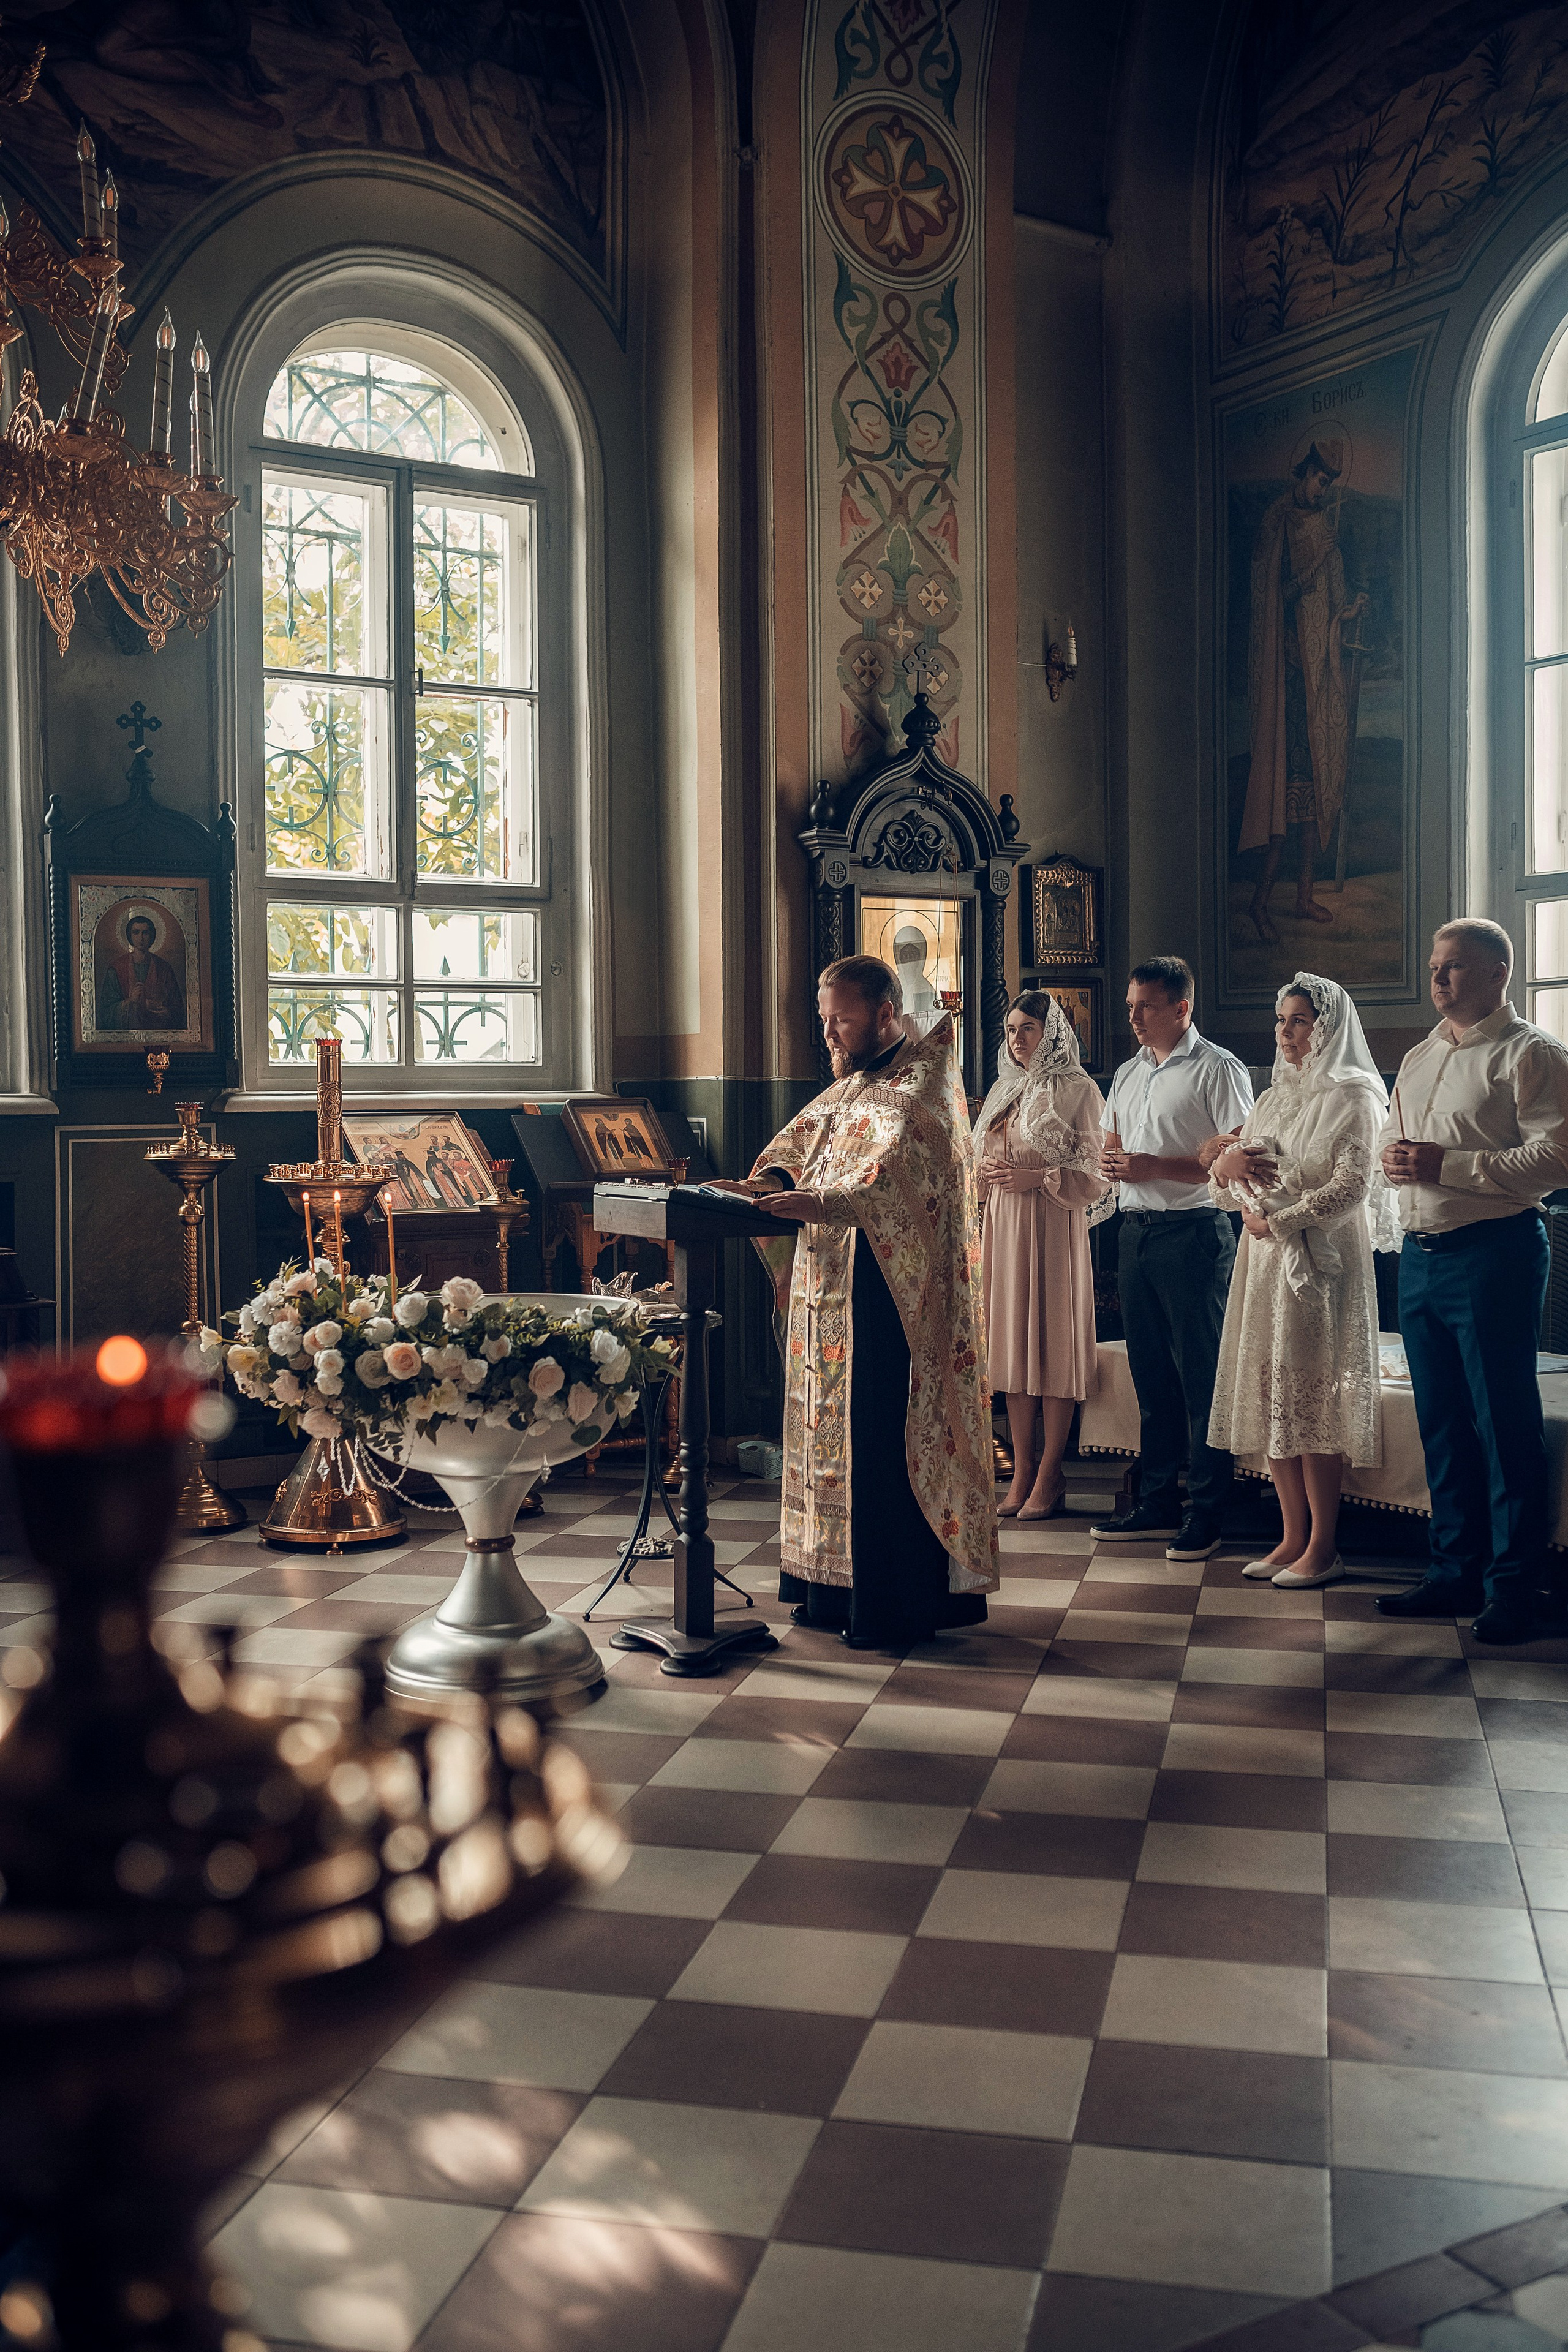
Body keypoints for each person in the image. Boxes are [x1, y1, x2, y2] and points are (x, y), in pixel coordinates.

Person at [723, 954, 997, 1648]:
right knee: (826, 1434)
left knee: (879, 1433)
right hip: (829, 1285)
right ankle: (827, 1591)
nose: (829, 1035)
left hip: (889, 1296)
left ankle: (893, 1601)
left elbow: (896, 1174)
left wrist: (821, 1199)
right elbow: (799, 1143)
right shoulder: (853, 1087)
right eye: (823, 1020)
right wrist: (773, 1181)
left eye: (840, 1020)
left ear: (883, 1013)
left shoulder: (925, 1081)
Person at [1378, 919, 1568, 1643]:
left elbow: (1558, 1159)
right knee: (1443, 1422)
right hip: (1420, 1255)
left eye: (1455, 968)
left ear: (1497, 975)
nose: (1438, 979)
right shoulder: (1422, 1055)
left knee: (1502, 1420)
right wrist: (1394, 1165)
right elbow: (1399, 1151)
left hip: (1495, 1252)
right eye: (1434, 966)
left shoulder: (1530, 1055)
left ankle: (1513, 1586)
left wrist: (1445, 1168)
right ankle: (1452, 1571)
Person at [1207, 973, 1396, 1589]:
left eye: (1297, 1022)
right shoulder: (1274, 1095)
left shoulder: (1355, 1094)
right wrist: (1226, 1167)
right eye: (1279, 1021)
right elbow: (1236, 1173)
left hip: (1321, 1264)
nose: (1284, 1034)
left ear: (1327, 1027)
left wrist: (1280, 1219)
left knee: (1313, 1400)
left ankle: (1323, 1545)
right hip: (1263, 1261)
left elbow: (1352, 1188)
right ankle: (1290, 1535)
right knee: (1270, 1391)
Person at [1092, 956, 1254, 1560]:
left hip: (1193, 1232)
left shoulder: (1217, 1068)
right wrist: (1113, 1162)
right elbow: (1113, 1144)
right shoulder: (1128, 1072)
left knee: (1200, 1378)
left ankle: (1208, 1510)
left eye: (1145, 1006)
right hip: (1134, 1233)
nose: (1132, 1017)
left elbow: (1242, 1152)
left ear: (1180, 1008)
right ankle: (1156, 1498)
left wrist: (1154, 1166)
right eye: (1130, 1005)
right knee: (1151, 1377)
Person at [973, 989, 1109, 1518]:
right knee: (1010, 1350)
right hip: (1004, 1227)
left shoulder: (1079, 1090)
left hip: (1052, 1224)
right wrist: (984, 1174)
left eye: (1027, 1029)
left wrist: (1039, 1177)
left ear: (1051, 1032)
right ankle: (1023, 1469)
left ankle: (1052, 1471)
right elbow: (979, 1158)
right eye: (1010, 1030)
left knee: (1051, 1347)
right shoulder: (1003, 1089)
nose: (1017, 1039)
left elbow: (1098, 1173)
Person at [1238, 439, 1368, 942]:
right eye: (1319, 478)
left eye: (1329, 483)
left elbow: (1333, 605)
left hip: (1314, 676)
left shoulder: (1327, 534)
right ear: (1304, 471)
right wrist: (1311, 571)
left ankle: (1304, 894)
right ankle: (1260, 901)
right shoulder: (1278, 523)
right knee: (1282, 798)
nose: (1322, 488)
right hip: (1286, 680)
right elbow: (1276, 594)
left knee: (1312, 794)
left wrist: (1351, 607)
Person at [97, 911, 186, 1030]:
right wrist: (130, 1001)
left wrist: (168, 1013)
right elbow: (106, 1011)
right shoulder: (117, 969)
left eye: (145, 933)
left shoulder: (164, 968)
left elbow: (177, 1008)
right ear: (130, 936)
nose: (141, 938)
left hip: (158, 1030)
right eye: (136, 932)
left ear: (152, 936)